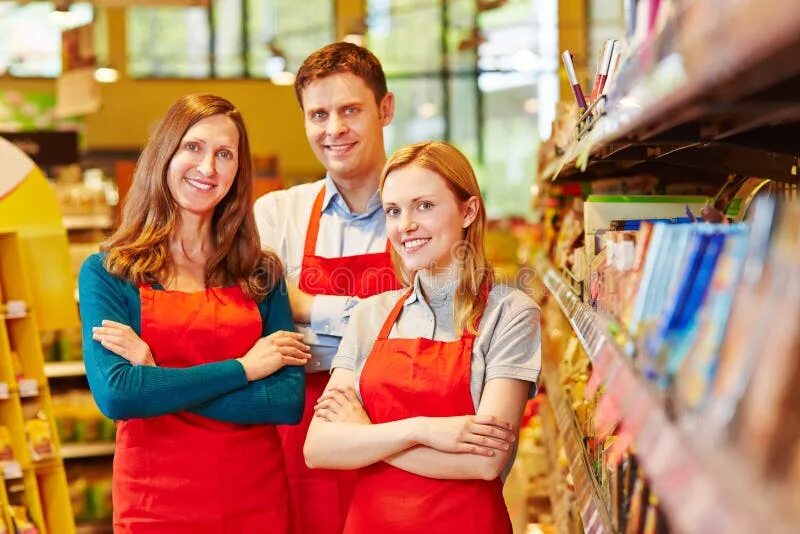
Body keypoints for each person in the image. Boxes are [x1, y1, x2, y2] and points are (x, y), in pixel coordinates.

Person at [79, 93, 309, 533]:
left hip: (255, 501)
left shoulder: (261, 273)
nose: (208, 168)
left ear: (238, 172)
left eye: (225, 154)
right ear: (166, 154)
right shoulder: (110, 273)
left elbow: (284, 401)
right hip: (155, 504)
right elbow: (119, 396)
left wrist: (157, 377)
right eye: (194, 147)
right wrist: (245, 367)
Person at [304, 141, 542, 534]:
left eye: (424, 206)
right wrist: (421, 429)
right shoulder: (370, 315)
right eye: (394, 211)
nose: (405, 225)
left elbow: (484, 462)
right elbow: (318, 448)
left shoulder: (510, 313)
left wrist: (365, 439)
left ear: (468, 211)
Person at [253, 42, 402, 534]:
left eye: (350, 110)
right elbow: (263, 311)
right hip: (302, 433)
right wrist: (374, 315)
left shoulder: (422, 206)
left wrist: (305, 306)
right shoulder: (278, 213)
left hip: (399, 432)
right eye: (318, 114)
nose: (333, 129)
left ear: (385, 109)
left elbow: (441, 319)